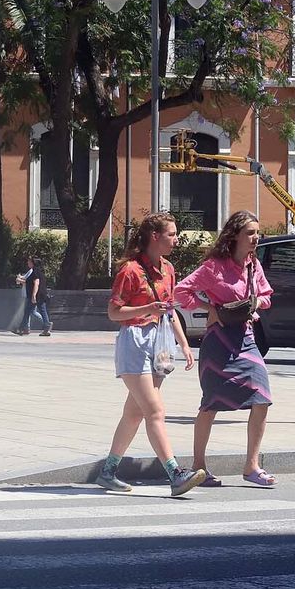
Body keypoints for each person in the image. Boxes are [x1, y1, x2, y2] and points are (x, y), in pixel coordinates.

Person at [94, 213, 207, 497]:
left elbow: (169, 312)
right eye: (171, 234)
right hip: (133, 342)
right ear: (155, 237)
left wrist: (184, 344)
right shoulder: (130, 270)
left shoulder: (168, 268)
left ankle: (107, 472)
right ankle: (175, 473)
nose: (176, 239)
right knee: (154, 410)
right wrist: (147, 310)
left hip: (158, 341)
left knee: (134, 414)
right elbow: (113, 312)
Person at [175, 210, 277, 489]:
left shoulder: (253, 265)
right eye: (250, 233)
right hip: (219, 342)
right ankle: (199, 466)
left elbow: (267, 295)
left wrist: (256, 304)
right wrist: (211, 309)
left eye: (258, 232)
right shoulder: (214, 266)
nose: (256, 238)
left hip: (246, 338)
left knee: (263, 398)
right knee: (210, 404)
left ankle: (251, 466)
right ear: (234, 236)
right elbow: (181, 292)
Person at [12, 255, 51, 336]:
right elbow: (29, 282)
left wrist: (33, 295)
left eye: (29, 261)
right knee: (42, 311)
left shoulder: (35, 271)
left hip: (36, 295)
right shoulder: (38, 271)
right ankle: (46, 328)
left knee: (27, 312)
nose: (28, 263)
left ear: (33, 263)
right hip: (41, 295)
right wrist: (22, 280)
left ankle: (21, 329)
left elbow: (36, 283)